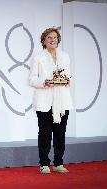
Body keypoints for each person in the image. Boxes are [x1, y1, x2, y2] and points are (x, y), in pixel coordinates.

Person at [29, 27, 73, 174]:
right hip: (44, 101)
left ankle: (59, 163)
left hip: (62, 101)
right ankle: (44, 164)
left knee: (60, 134)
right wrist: (44, 82)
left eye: (55, 37)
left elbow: (68, 76)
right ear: (44, 41)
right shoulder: (38, 57)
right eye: (49, 38)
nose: (52, 40)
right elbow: (31, 79)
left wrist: (67, 81)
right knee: (45, 134)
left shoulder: (65, 56)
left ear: (58, 40)